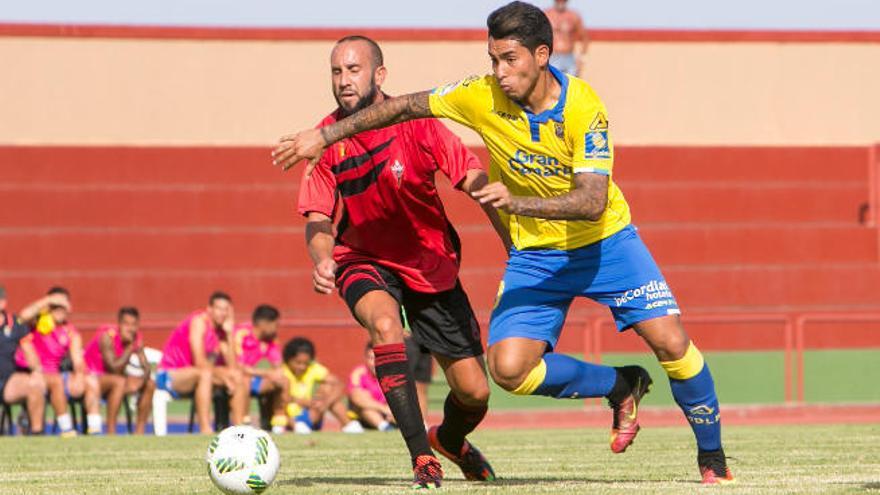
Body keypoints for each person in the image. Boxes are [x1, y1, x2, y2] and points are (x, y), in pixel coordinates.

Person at [272, 2, 734, 485]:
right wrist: (324, 136)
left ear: (541, 55)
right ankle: (619, 384)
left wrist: (516, 202)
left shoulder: (584, 107)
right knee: (508, 369)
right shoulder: (480, 94)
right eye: (493, 59)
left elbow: (593, 201)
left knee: (671, 342)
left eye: (509, 59)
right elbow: (405, 105)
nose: (499, 72)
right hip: (536, 256)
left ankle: (713, 459)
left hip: (606, 244)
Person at [290, 35, 508, 488]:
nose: (344, 81)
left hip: (429, 262)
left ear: (380, 75)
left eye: (354, 70)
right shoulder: (324, 139)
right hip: (362, 259)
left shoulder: (418, 124)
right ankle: (421, 456)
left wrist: (505, 225)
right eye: (337, 72)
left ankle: (450, 441)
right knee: (386, 328)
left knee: (475, 393)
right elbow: (316, 216)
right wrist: (323, 258)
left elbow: (469, 174)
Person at [156, 291, 247, 434]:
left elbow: (232, 367)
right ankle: (205, 430)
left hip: (199, 376)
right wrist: (222, 377)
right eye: (219, 308)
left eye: (226, 310)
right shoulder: (199, 322)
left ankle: (240, 432)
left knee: (237, 376)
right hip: (170, 375)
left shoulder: (221, 331)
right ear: (209, 309)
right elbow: (199, 362)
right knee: (205, 374)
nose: (222, 313)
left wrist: (229, 334)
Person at [14, 286, 85, 437]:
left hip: (57, 375)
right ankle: (62, 428)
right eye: (55, 306)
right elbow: (23, 316)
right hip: (33, 372)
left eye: (62, 306)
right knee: (53, 381)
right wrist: (49, 300)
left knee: (85, 382)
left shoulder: (70, 330)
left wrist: (80, 375)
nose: (59, 310)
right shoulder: (38, 323)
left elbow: (77, 358)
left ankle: (94, 430)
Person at [83, 306, 155, 434]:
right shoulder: (107, 336)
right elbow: (113, 367)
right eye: (126, 324)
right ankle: (111, 431)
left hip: (116, 379)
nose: (130, 329)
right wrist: (130, 348)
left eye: (134, 324)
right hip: (92, 378)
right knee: (119, 381)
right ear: (119, 324)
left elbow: (147, 367)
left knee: (150, 384)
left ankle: (140, 432)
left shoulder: (136, 338)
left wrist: (141, 381)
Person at [227, 305, 289, 434]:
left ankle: (278, 424)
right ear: (264, 324)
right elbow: (237, 367)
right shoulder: (241, 334)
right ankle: (243, 422)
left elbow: (278, 365)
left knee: (283, 380)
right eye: (275, 325)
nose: (276, 329)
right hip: (235, 378)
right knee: (244, 379)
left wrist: (276, 374)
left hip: (255, 379)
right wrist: (267, 373)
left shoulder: (270, 339)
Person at [281, 337, 363, 434]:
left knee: (327, 388)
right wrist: (300, 401)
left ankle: (348, 424)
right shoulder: (282, 371)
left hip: (311, 413)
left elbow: (338, 384)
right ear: (288, 359)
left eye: (305, 363)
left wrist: (325, 403)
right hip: (288, 416)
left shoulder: (312, 369)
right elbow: (279, 398)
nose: (302, 367)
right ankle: (295, 426)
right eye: (298, 363)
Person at [0, 286, 47, 435]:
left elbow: (29, 352)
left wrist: (36, 371)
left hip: (7, 380)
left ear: (2, 303)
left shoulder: (14, 325)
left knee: (34, 388)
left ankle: (36, 435)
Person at [348, 342, 395, 431]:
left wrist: (391, 410)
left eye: (377, 358)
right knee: (365, 402)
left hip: (387, 414)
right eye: (371, 358)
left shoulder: (389, 375)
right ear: (365, 358)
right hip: (363, 416)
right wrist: (383, 409)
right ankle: (385, 427)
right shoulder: (359, 373)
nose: (374, 363)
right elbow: (356, 397)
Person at [544, 0, 588, 76]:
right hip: (553, 57)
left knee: (572, 84)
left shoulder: (573, 16)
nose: (561, 2)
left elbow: (584, 37)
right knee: (552, 84)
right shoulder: (547, 14)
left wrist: (581, 58)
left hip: (569, 57)